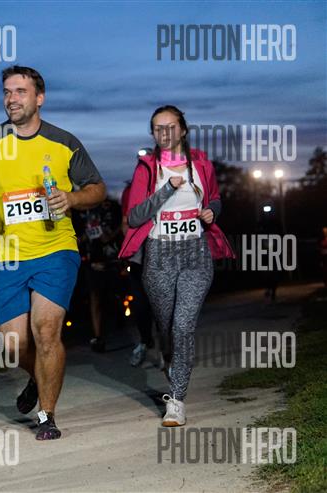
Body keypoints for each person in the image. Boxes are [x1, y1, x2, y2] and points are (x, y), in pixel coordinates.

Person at [0, 66, 106, 440]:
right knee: (14, 345)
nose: (12, 99)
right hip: (7, 255)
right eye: (7, 92)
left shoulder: (64, 143)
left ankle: (47, 416)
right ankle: (38, 378)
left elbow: (97, 188)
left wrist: (72, 198)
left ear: (39, 98)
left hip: (55, 248)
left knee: (46, 330)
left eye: (20, 91)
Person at [119, 105, 234, 427]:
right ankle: (170, 357)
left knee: (183, 325)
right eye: (158, 128)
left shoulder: (202, 164)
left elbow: (215, 199)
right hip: (159, 255)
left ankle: (177, 400)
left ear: (183, 130)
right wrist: (167, 189)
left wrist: (211, 211)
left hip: (195, 253)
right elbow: (135, 217)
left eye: (170, 127)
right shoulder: (147, 168)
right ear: (153, 133)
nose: (164, 133)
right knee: (167, 326)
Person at [78, 198, 123, 353]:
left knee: (115, 294)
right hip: (91, 259)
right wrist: (82, 239)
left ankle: (120, 319)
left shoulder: (111, 206)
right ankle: (97, 336)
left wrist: (110, 235)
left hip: (111, 258)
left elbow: (121, 226)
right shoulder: (80, 208)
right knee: (95, 297)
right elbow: (78, 236)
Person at [121, 180, 156, 367]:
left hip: (163, 255)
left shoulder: (167, 185)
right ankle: (145, 342)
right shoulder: (130, 190)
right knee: (140, 303)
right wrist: (129, 246)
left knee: (162, 303)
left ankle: (169, 349)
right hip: (139, 257)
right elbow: (125, 222)